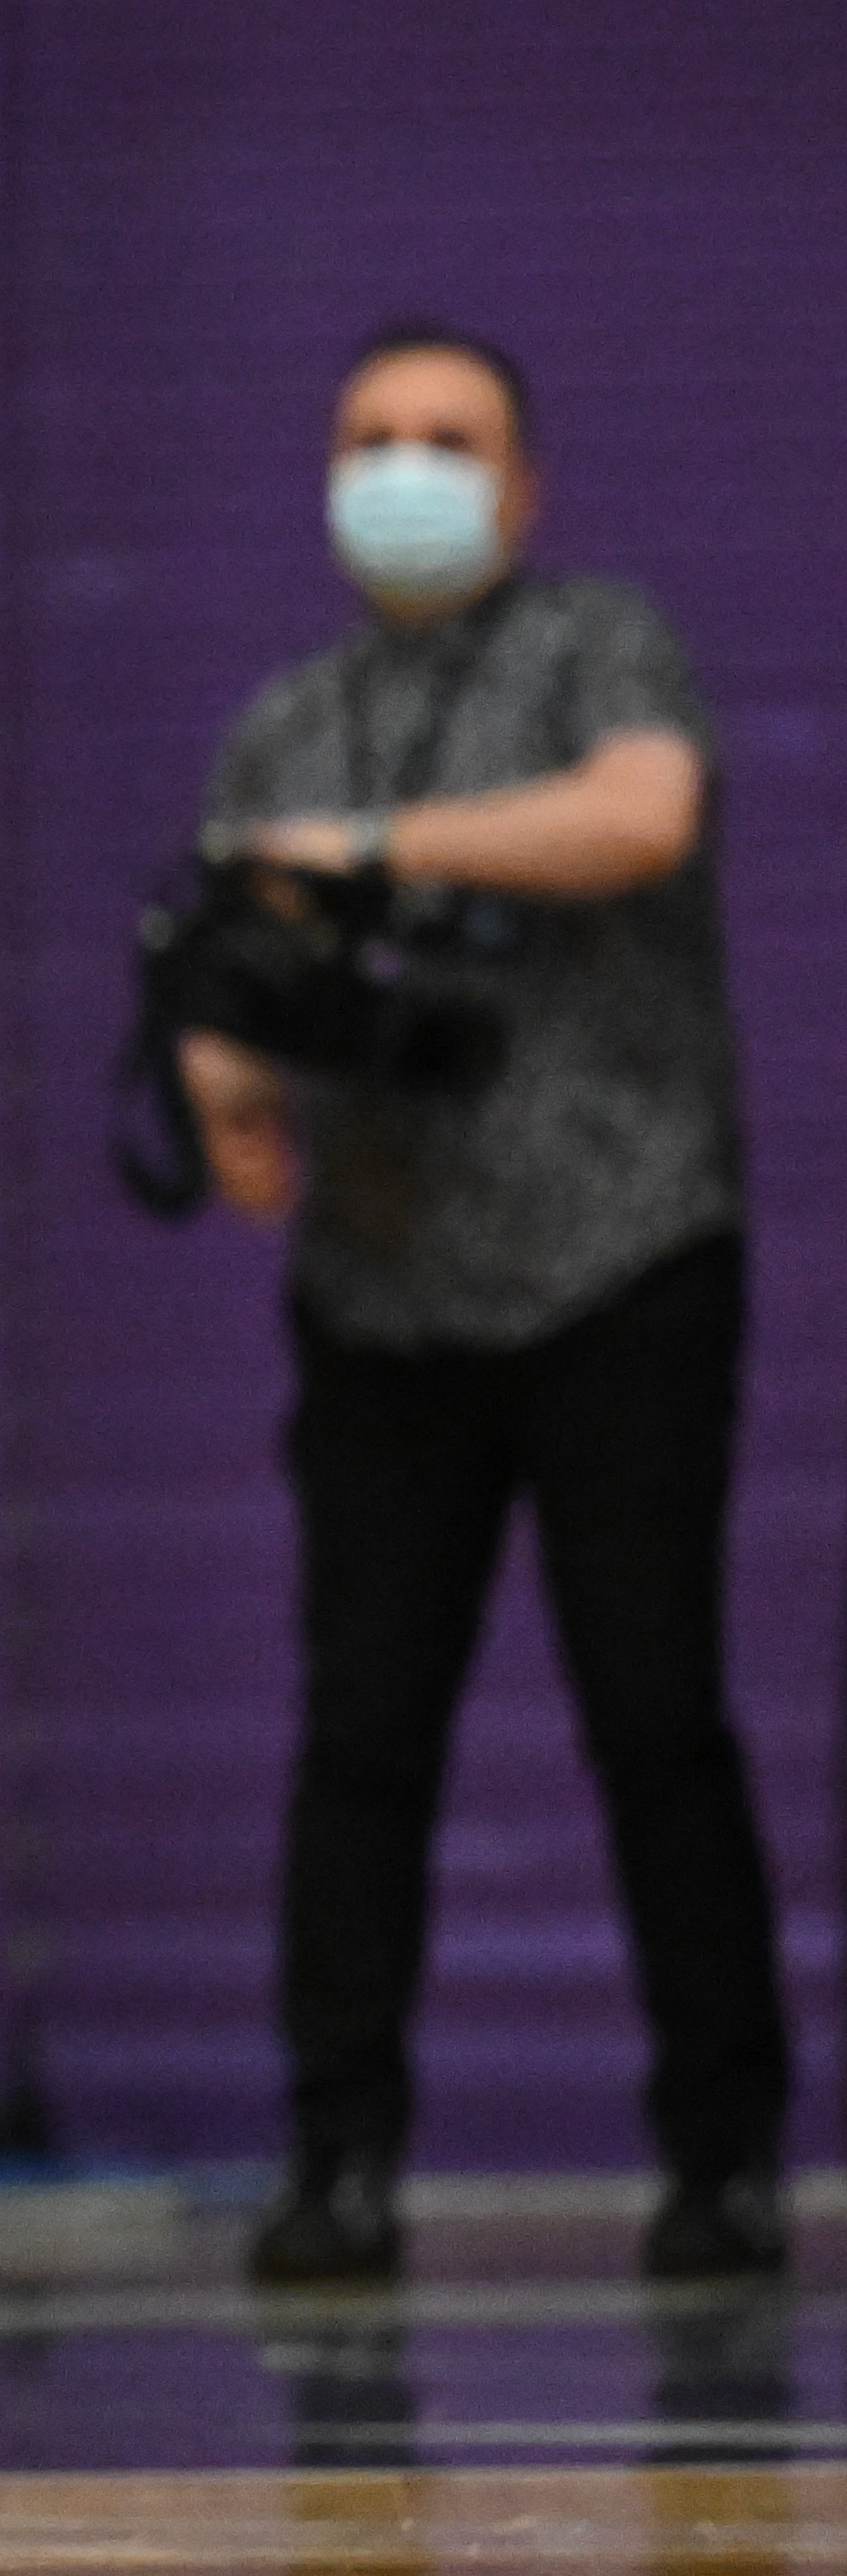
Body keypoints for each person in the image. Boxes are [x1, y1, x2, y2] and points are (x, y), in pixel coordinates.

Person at [180, 322, 780, 2287]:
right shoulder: (287, 716)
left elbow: (634, 814)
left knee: (651, 1715)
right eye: (368, 437)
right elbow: (219, 973)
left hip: (620, 1263)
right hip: (377, 1294)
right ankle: (333, 2157)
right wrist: (222, 1069)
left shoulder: (597, 645)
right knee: (361, 1734)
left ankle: (720, 2156)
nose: (405, 468)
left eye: (447, 439)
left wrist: (362, 858)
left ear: (518, 488)